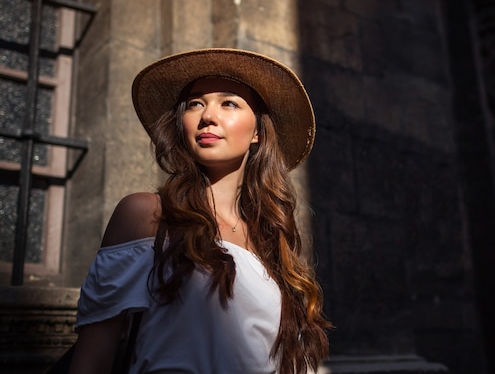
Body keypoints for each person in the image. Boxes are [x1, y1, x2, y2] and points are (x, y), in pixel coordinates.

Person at [68, 48, 331, 374]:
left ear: (258, 132)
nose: (208, 115)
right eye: (195, 103)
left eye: (229, 103)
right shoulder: (148, 216)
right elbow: (92, 358)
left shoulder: (272, 242)